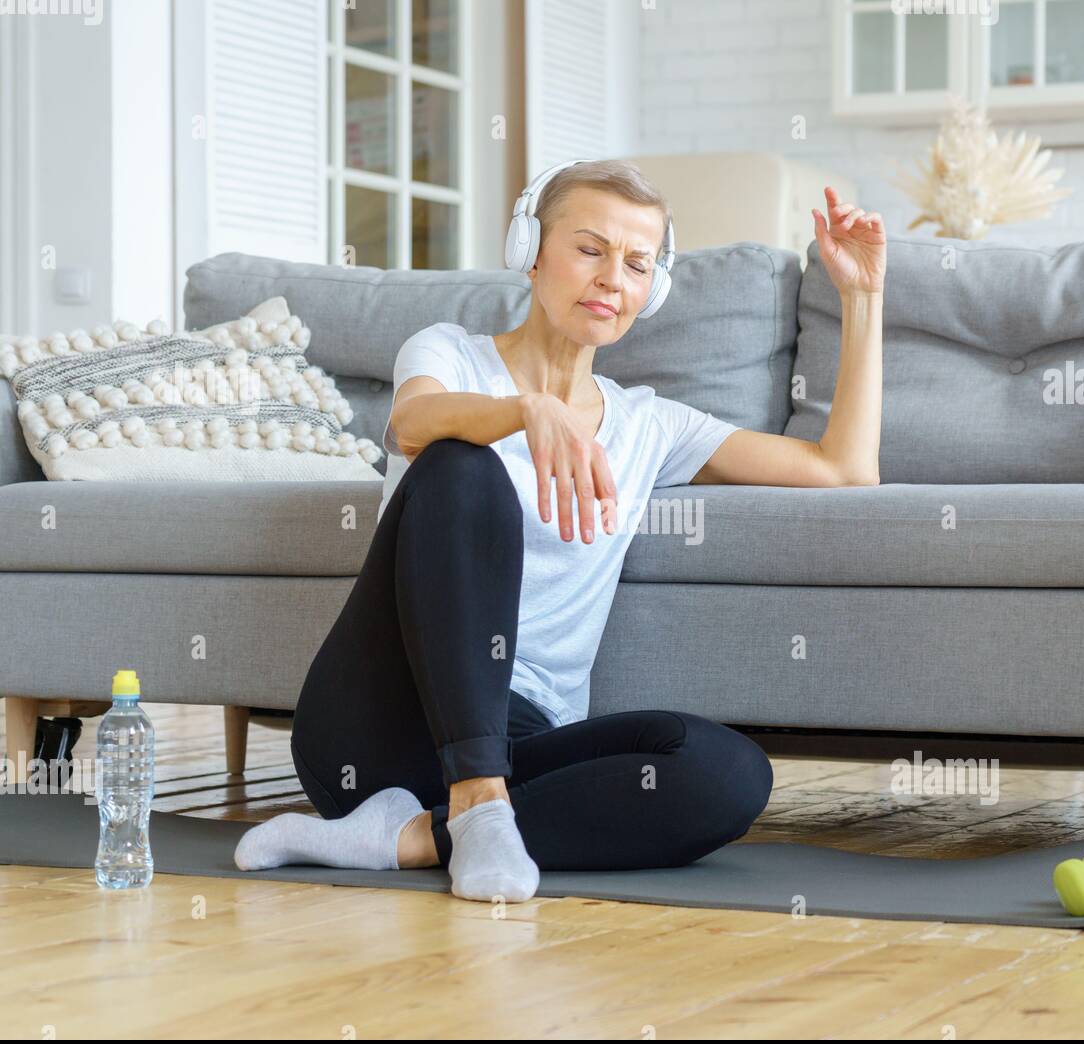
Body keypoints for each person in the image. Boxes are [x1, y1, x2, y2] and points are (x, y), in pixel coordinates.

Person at [234, 159, 886, 903]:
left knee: (729, 772)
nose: (612, 278)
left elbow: (844, 468)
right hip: (377, 727)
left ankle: (412, 837)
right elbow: (412, 424)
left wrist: (862, 297)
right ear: (531, 252)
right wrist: (525, 411)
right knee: (461, 465)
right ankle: (476, 804)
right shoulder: (449, 354)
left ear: (652, 288)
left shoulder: (650, 425)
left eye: (636, 263)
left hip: (524, 741)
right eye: (590, 249)